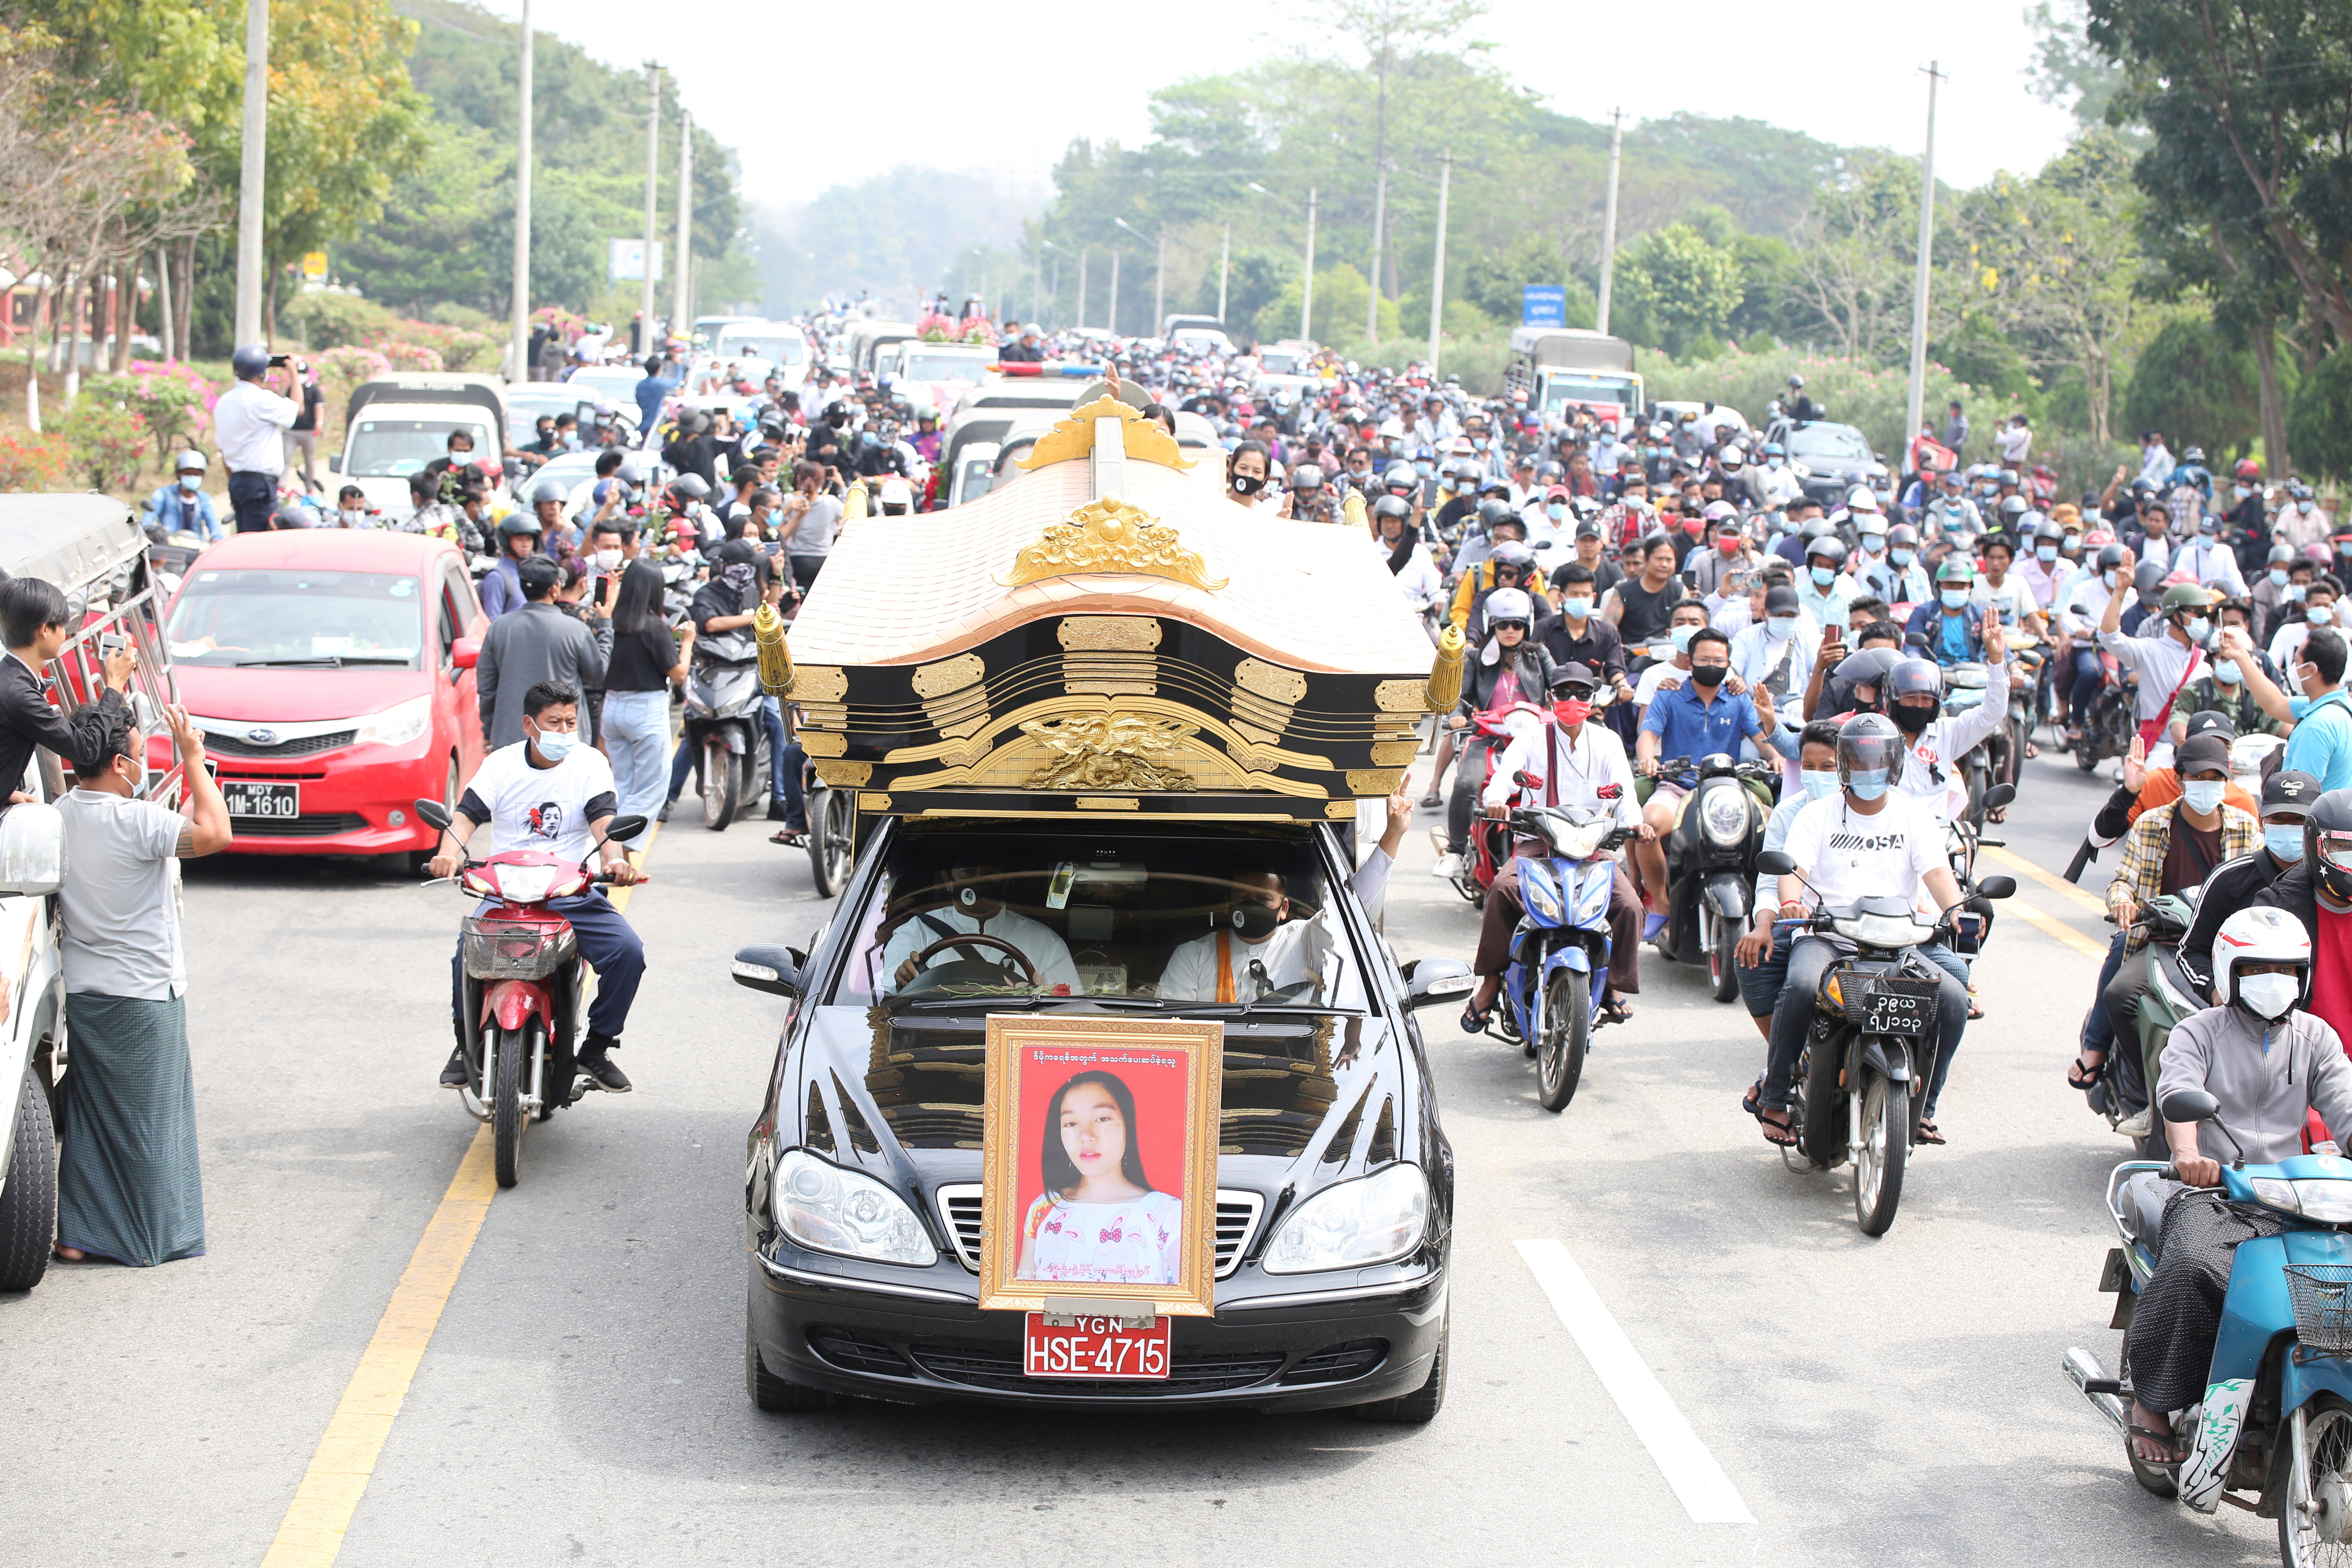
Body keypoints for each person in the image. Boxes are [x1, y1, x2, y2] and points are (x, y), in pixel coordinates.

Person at [2118, 906, 2352, 1485]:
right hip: (2217, 1190)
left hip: (2300, 1195)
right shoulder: (2199, 1030)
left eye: (2286, 969)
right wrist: (2189, 1155)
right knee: (2198, 1265)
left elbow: (2346, 1106)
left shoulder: (2316, 1037)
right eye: (2259, 968)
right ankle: (2152, 1400)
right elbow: (2179, 1090)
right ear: (2229, 969)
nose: (2274, 980)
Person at [47, 700, 230, 1266]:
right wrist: (194, 758)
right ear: (119, 763)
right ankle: (143, 1235)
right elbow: (216, 832)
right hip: (145, 995)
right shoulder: (138, 821)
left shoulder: (59, 813)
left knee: (91, 1119)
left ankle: (77, 1232)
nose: (144, 760)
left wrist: (113, 692)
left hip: (86, 993)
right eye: (137, 749)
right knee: (150, 1124)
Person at [1753, 714, 1971, 1146]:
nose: (1868, 769)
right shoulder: (1816, 815)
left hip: (1898, 943)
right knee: (1798, 988)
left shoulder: (1915, 817)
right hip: (1827, 938)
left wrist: (1959, 910)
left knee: (1953, 999)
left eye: (1877, 760)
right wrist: (1792, 899)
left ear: (1893, 764)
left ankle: (1925, 1106)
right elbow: (1792, 870)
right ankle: (1775, 1097)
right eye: (1857, 758)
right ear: (1844, 763)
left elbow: (1937, 874)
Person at [429, 682, 645, 1093]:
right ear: (530, 724)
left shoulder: (590, 762)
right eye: (554, 722)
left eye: (570, 722)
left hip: (570, 892)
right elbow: (465, 816)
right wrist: (449, 853)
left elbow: (603, 819)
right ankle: (463, 1044)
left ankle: (597, 1047)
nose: (565, 731)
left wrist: (613, 860)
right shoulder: (501, 764)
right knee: (465, 954)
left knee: (627, 952)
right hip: (504, 893)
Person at [1458, 665, 1647, 1029]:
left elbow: (1625, 794)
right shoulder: (1531, 738)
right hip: (1536, 845)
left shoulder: (1607, 741)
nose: (1573, 701)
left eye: (1581, 693)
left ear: (1593, 700)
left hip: (1593, 847)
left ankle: (1612, 984)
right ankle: (1491, 981)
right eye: (1564, 694)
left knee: (1630, 906)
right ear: (1551, 699)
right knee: (1501, 890)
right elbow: (1502, 779)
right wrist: (1497, 800)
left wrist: (1636, 823)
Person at [1159, 780, 1409, 1003]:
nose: (1252, 906)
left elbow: (1353, 903)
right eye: (1243, 898)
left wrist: (1393, 834)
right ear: (1228, 904)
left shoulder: (1306, 940)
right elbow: (1178, 1032)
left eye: (1263, 899)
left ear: (1283, 908)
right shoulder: (1192, 957)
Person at [1634, 626, 1782, 936]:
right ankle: (1661, 904)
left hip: (1727, 787)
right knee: (1647, 824)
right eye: (1704, 659)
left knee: (1770, 824)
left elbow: (1760, 737)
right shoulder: (1669, 694)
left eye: (1719, 660)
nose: (1712, 665)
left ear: (1729, 663)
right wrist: (1648, 757)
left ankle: (1765, 906)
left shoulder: (1738, 699)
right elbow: (1648, 734)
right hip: (1678, 786)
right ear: (1690, 662)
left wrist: (1775, 755)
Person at [1014, 1071, 1180, 1286]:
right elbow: (1024, 1296)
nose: (1086, 1136)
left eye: (1102, 1119)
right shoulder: (1044, 1207)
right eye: (1071, 1123)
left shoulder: (1167, 1213)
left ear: (1127, 1124)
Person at [1433, 589, 1555, 877]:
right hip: (1487, 737)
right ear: (1492, 625)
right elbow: (1457, 698)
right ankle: (1456, 850)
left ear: (1528, 624)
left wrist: (1574, 697)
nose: (1511, 630)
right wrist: (1456, 716)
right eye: (1503, 624)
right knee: (1466, 785)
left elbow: (1560, 683)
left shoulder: (1539, 654)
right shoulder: (1475, 658)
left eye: (1517, 624)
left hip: (1533, 740)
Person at [1734, 722, 1844, 1040]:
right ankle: (1785, 1055)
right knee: (1752, 959)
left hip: (1867, 924)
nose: (1817, 774)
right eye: (1809, 766)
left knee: (1952, 976)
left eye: (1828, 767)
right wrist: (1764, 923)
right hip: (1805, 921)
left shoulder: (1877, 808)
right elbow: (1773, 879)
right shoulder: (1790, 812)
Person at [0, 577, 136, 803]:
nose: (65, 634)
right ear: (45, 629)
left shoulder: (9, 678)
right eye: (63, 626)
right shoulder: (19, 695)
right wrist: (114, 685)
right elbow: (86, 749)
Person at [881, 859, 1084, 994]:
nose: (980, 881)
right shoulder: (916, 931)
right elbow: (888, 993)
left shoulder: (1044, 940)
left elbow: (1068, 1004)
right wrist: (902, 981)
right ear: (948, 881)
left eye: (990, 873)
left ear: (1005, 880)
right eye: (969, 872)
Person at [476, 555, 608, 750]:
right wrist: (606, 626)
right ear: (554, 589)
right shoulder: (575, 629)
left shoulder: (500, 628)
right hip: (564, 740)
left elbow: (487, 687)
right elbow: (597, 673)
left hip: (512, 739)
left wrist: (489, 730)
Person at [2099, 562, 2218, 749]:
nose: (2203, 620)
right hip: (2157, 749)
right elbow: (2109, 637)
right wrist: (2120, 592)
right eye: (2197, 613)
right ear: (2176, 616)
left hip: (2194, 752)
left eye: (2205, 614)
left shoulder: (2205, 659)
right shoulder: (2149, 651)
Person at [213, 344, 296, 533]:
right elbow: (297, 409)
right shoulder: (261, 399)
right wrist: (293, 373)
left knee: (244, 534)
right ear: (263, 373)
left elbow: (224, 450)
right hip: (259, 484)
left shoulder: (224, 402)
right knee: (257, 540)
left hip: (237, 480)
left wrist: (236, 479)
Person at [140, 452, 225, 543]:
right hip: (170, 544)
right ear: (178, 474)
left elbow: (213, 524)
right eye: (188, 474)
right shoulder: (164, 494)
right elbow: (149, 519)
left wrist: (217, 539)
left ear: (203, 476)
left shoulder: (204, 499)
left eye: (196, 475)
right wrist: (148, 530)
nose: (192, 477)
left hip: (196, 546)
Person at [477, 514, 543, 620]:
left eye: (529, 539)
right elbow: (493, 621)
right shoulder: (497, 577)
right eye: (520, 539)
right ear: (506, 541)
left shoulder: (535, 572)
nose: (526, 544)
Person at [283, 359, 324, 492]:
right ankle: (281, 486)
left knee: (310, 461)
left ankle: (310, 487)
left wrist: (319, 422)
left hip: (308, 430)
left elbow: (319, 406)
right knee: (286, 458)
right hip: (292, 431)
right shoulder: (292, 389)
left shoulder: (314, 389)